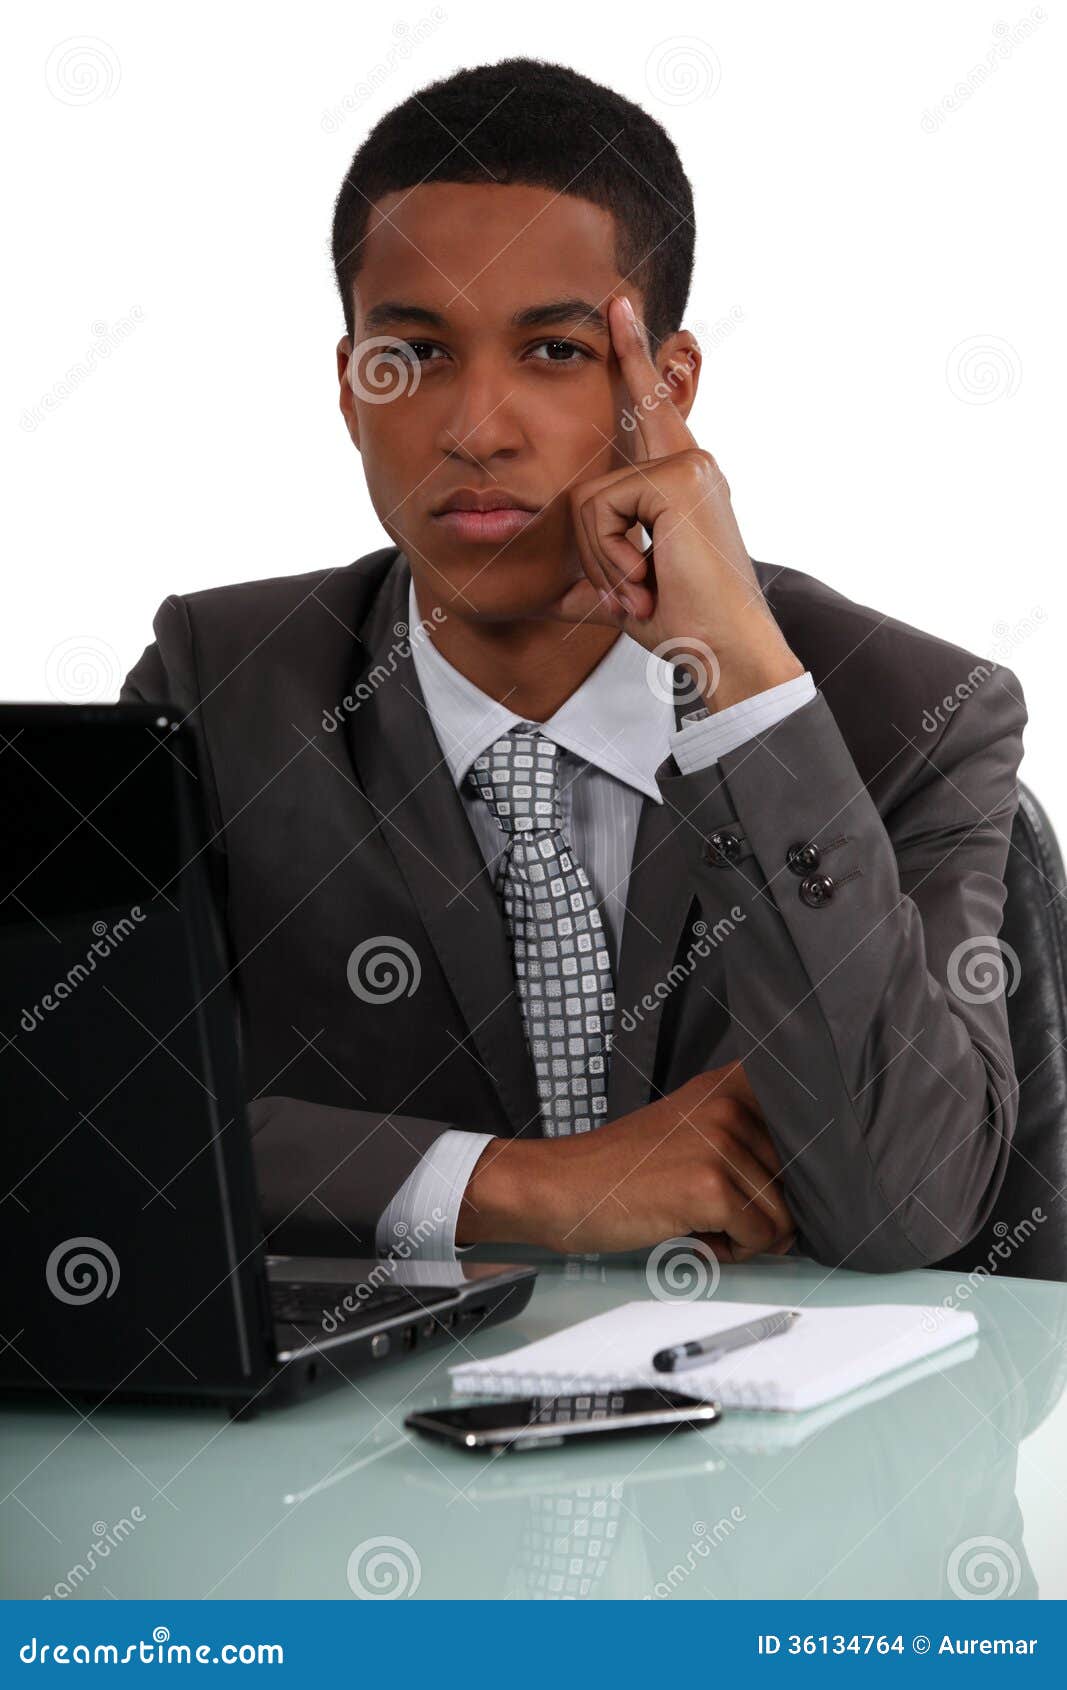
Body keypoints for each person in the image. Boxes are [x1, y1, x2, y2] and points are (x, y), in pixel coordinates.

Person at [121, 58, 1026, 1272]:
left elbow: (908, 1202)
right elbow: (77, 1130)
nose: (473, 427)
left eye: (551, 351)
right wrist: (521, 1186)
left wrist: (745, 686)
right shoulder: (222, 686)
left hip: (786, 1448)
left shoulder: (904, 715)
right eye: (414, 356)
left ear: (666, 385)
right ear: (350, 391)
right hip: (369, 1451)